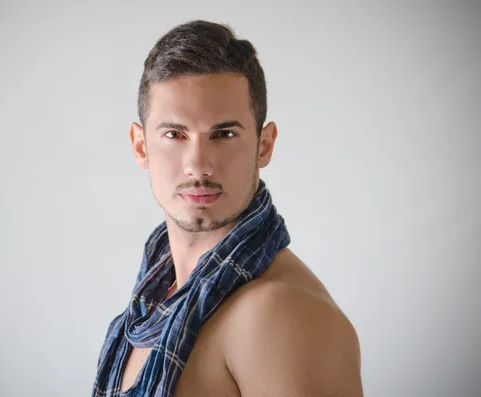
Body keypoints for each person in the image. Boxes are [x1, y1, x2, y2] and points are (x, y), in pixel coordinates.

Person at [92, 20, 363, 397]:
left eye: (224, 135)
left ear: (264, 144)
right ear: (141, 146)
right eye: (174, 134)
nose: (198, 164)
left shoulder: (278, 314)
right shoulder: (153, 299)